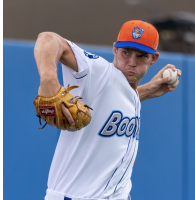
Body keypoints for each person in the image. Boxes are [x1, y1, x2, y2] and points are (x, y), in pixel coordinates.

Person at [34, 20, 181, 200]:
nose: (131, 62)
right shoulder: (100, 72)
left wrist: (148, 90)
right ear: (115, 50)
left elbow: (113, 101)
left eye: (141, 56)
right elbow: (48, 39)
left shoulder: (130, 93)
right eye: (126, 52)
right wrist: (48, 79)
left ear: (154, 59)